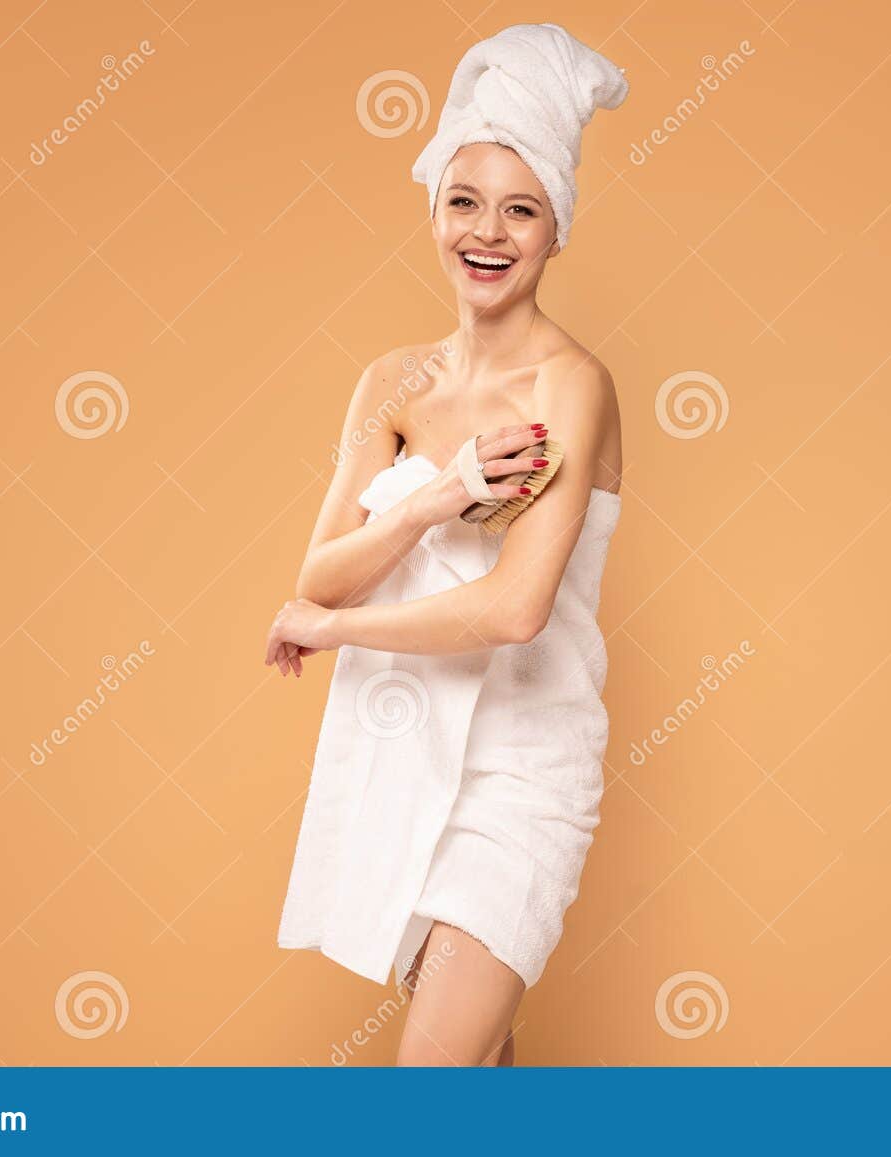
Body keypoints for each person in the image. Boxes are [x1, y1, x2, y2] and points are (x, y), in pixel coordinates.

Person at [265, 22, 629, 1067]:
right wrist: (436, 499)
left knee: (427, 1085)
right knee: (478, 1068)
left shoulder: (573, 387)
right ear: (433, 211)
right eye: (465, 201)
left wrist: (333, 627)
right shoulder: (391, 380)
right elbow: (319, 566)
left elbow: (514, 609)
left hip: (522, 767)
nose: (489, 232)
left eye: (522, 209)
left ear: (557, 227)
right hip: (407, 753)